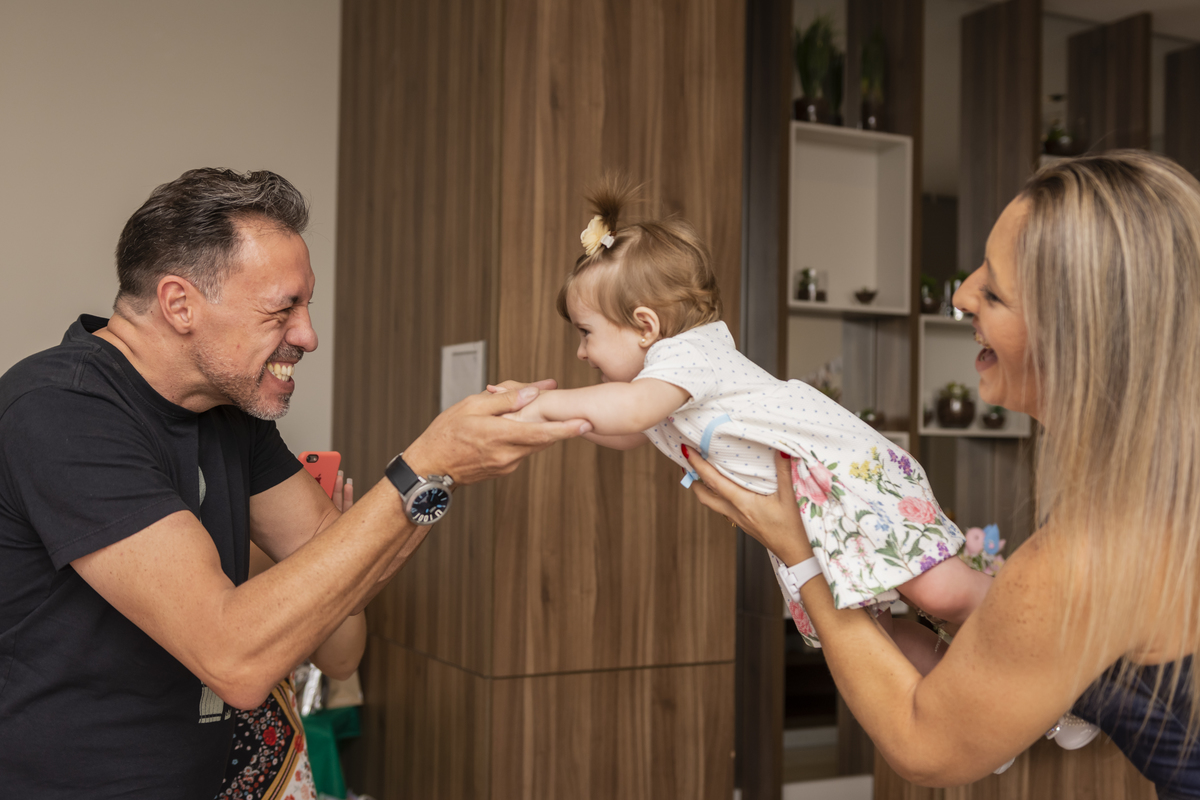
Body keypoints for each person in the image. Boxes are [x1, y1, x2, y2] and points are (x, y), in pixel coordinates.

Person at [0, 168, 590, 799]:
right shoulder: (61, 407)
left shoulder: (228, 411)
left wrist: (440, 473)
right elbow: (234, 659)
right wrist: (426, 465)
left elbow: (345, 579)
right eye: (283, 308)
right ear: (179, 304)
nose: (307, 335)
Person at [684, 151, 1200, 795]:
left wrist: (802, 555)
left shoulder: (1088, 553)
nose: (960, 297)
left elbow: (925, 746)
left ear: (1080, 340)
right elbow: (1022, 628)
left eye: (994, 292)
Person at [501, 177, 993, 675]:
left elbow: (628, 413)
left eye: (586, 334)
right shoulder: (659, 394)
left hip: (846, 480)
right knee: (870, 638)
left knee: (941, 592)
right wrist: (543, 416)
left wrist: (544, 405)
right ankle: (965, 694)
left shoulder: (688, 354)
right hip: (813, 515)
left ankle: (1034, 634)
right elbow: (626, 431)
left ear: (646, 326)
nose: (581, 352)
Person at [218, 471, 360, 800]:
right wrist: (315, 552)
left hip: (279, 766)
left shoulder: (262, 497)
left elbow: (341, 660)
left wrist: (340, 557)